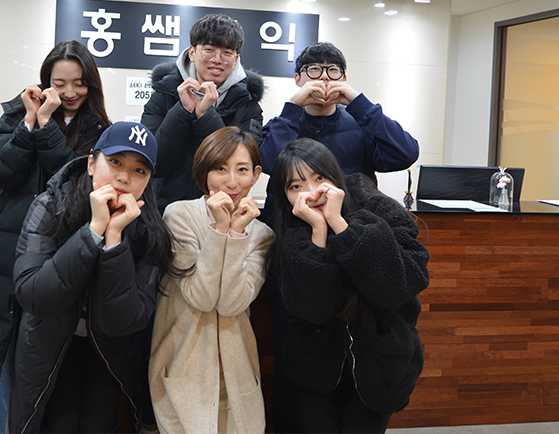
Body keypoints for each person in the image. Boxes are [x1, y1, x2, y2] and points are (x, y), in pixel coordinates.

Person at [0, 40, 110, 433]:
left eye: (79, 83)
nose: (70, 92)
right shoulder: (16, 114)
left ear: (91, 84)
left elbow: (71, 183)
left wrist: (47, 127)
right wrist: (29, 123)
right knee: (0, 376)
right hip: (1, 261)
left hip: (52, 266)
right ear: (46, 81)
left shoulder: (100, 131)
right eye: (60, 83)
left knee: (39, 384)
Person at [6, 121, 177, 433]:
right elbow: (34, 296)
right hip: (50, 341)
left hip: (110, 349)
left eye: (139, 170)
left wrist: (114, 240)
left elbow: (124, 321)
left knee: (98, 424)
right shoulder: (51, 206)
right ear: (91, 164)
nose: (124, 177)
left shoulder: (150, 229)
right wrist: (93, 230)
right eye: (115, 162)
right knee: (60, 424)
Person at [269, 138, 430, 433]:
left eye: (319, 178)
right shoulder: (292, 232)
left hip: (379, 364)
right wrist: (319, 231)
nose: (312, 193)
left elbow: (396, 286)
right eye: (296, 186)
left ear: (335, 175)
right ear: (286, 195)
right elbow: (312, 310)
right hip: (317, 368)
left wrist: (338, 223)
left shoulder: (374, 204)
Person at [149, 126, 274, 434]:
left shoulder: (261, 234)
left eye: (242, 170)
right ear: (204, 172)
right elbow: (201, 297)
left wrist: (237, 232)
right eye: (220, 168)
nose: (231, 182)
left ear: (256, 175)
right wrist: (220, 231)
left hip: (235, 372)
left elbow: (231, 304)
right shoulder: (179, 216)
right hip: (183, 368)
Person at [260, 41, 419, 220]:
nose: (324, 77)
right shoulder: (283, 124)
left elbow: (406, 154)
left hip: (351, 224)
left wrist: (360, 105)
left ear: (344, 79)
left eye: (333, 70)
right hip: (291, 225)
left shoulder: (362, 123)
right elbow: (268, 165)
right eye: (314, 69)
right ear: (298, 79)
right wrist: (293, 106)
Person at [141, 13, 264, 213]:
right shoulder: (163, 95)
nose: (217, 60)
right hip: (163, 211)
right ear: (192, 52)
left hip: (223, 210)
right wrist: (183, 111)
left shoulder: (248, 105)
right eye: (209, 50)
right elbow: (154, 163)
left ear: (236, 59)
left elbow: (241, 165)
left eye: (227, 53)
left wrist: (206, 115)